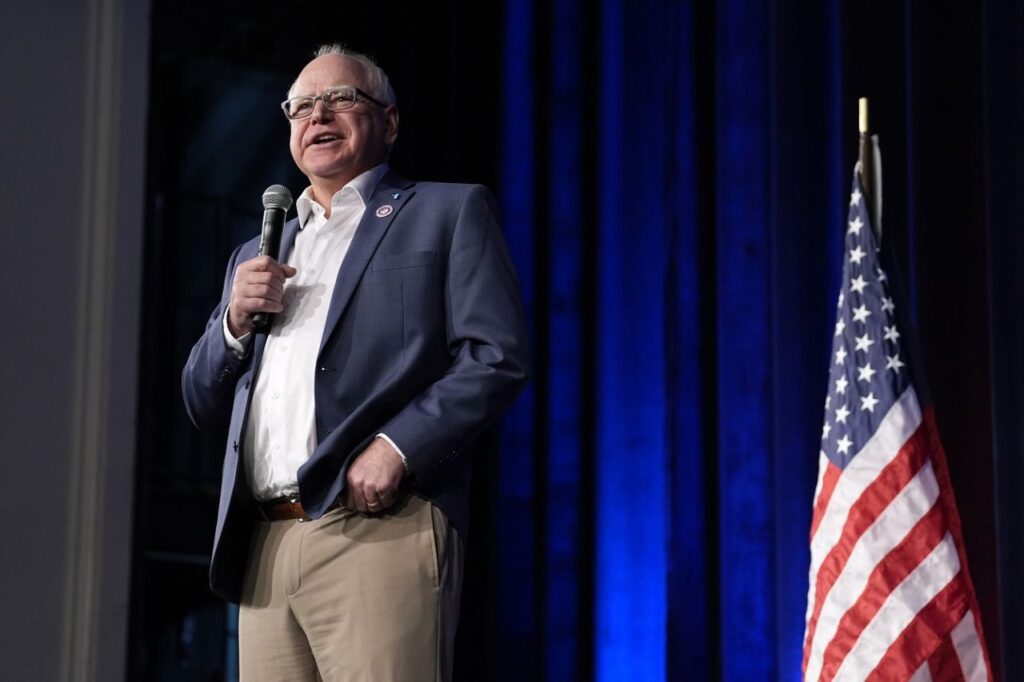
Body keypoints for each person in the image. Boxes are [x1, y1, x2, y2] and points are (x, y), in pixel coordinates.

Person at [181, 43, 530, 681]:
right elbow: (201, 401)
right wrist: (232, 324)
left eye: (341, 98)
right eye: (301, 107)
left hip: (378, 526)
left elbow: (496, 356)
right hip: (265, 545)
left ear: (389, 121)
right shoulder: (256, 254)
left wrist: (399, 447)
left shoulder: (446, 213)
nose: (318, 115)